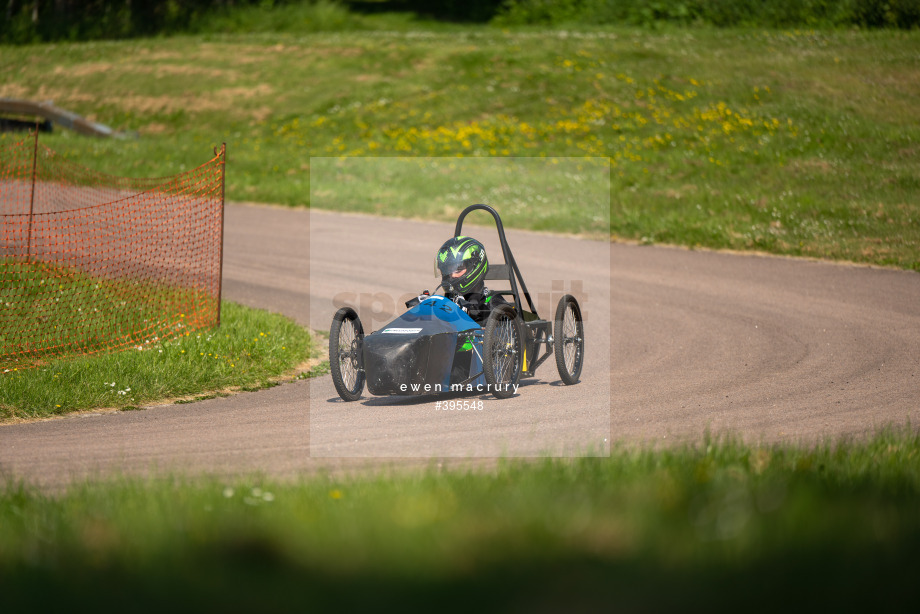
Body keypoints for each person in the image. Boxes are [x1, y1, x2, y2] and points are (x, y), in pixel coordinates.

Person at [435, 236, 507, 323]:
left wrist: (467, 312)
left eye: (458, 269)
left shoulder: (494, 302)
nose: (452, 275)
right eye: (448, 270)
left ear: (474, 268)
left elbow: (506, 327)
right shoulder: (448, 300)